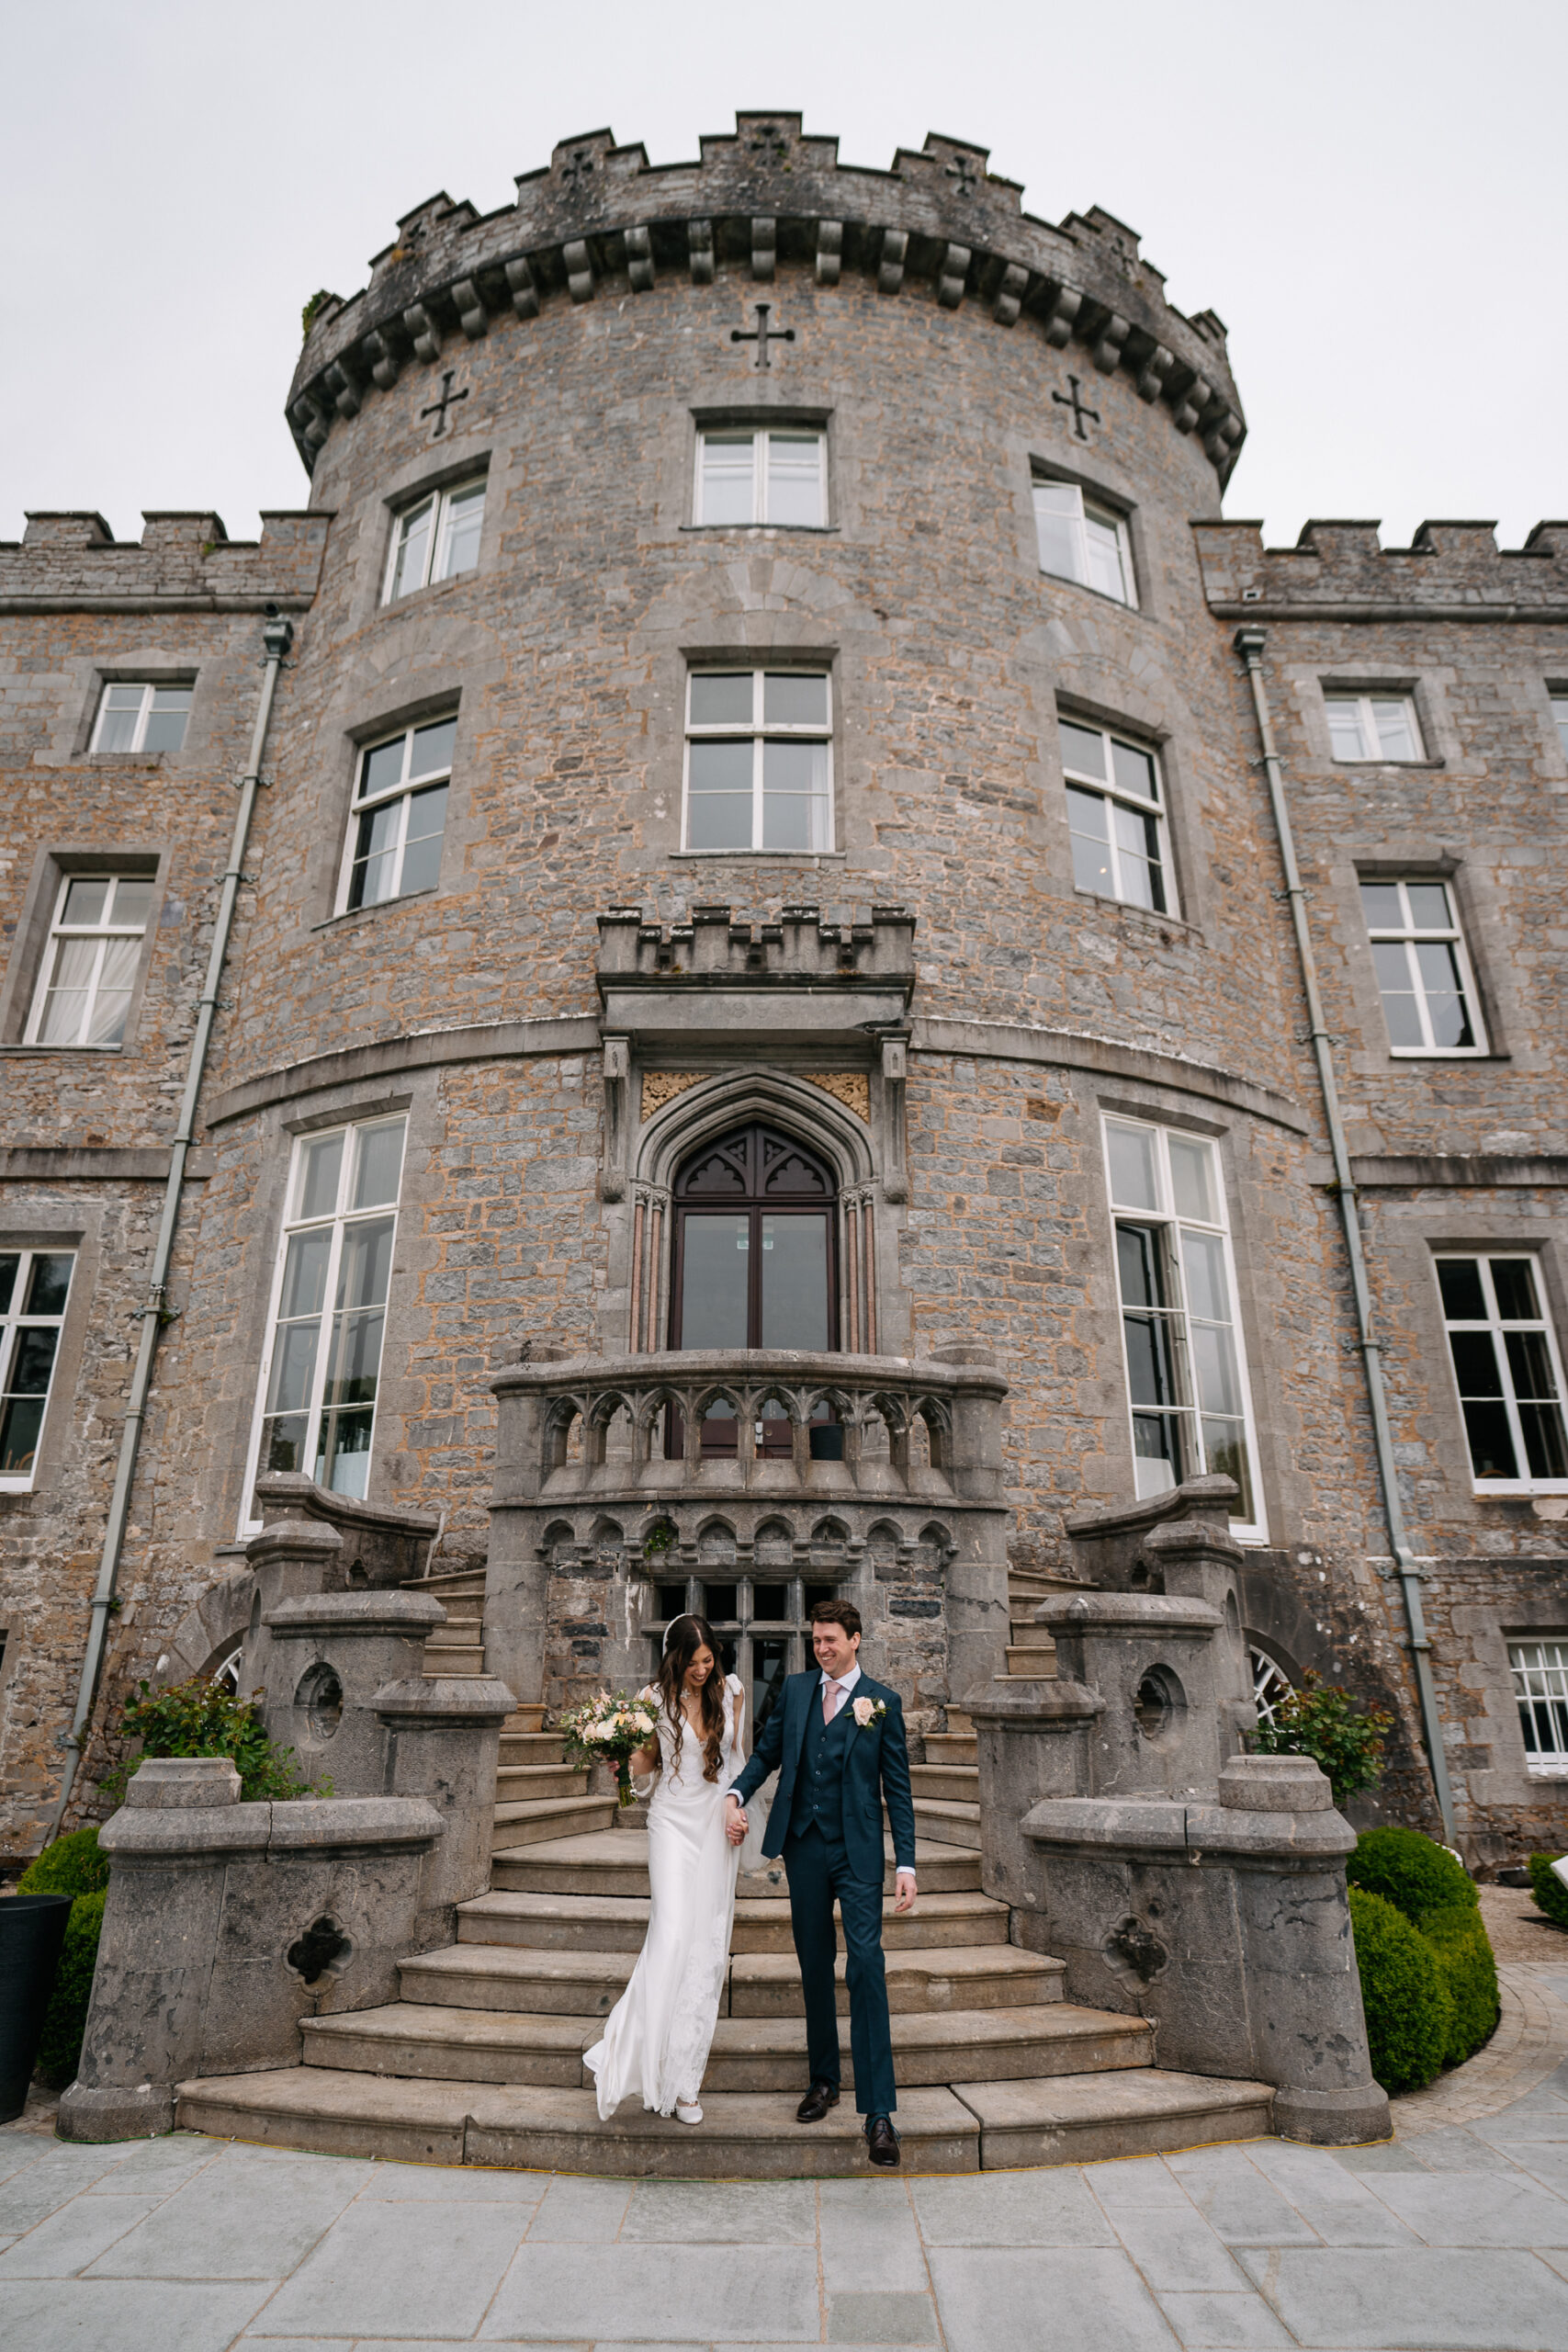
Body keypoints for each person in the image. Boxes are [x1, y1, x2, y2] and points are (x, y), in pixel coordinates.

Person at [724, 1599, 918, 2167]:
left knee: (866, 1967)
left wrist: (905, 1863)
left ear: (856, 1639)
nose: (821, 1648)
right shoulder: (799, 1689)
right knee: (814, 1965)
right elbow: (768, 1751)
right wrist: (736, 1792)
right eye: (816, 1640)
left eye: (831, 1639)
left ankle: (879, 2114)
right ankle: (824, 2080)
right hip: (804, 1847)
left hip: (857, 1854)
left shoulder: (883, 1702)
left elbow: (898, 1791)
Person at [582, 1615, 744, 2125]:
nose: (704, 1670)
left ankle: (684, 2083)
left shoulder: (733, 1691)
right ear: (675, 1659)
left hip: (715, 1822)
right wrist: (617, 1756)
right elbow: (647, 1763)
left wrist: (739, 1806)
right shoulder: (653, 1701)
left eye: (709, 1659)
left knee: (707, 1952)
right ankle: (633, 2056)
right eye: (695, 1662)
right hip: (672, 1823)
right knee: (671, 1937)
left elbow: (743, 1760)